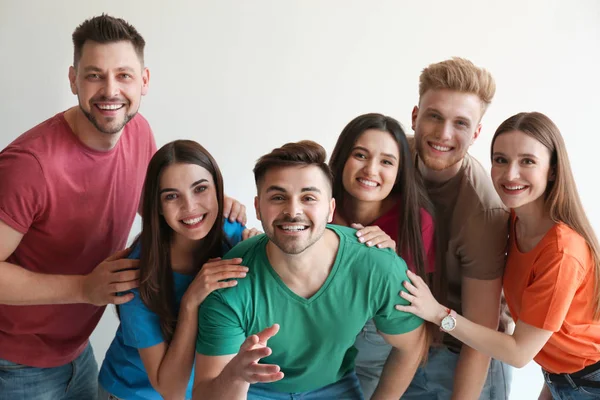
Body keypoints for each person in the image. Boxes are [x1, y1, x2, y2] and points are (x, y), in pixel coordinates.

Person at [0, 15, 244, 400]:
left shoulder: (137, 130)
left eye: (124, 75)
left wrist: (210, 208)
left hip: (78, 352)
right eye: (94, 75)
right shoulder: (29, 166)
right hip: (16, 364)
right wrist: (84, 287)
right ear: (73, 79)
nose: (110, 90)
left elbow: (160, 206)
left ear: (144, 81)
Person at [192, 140, 427, 399]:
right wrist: (235, 374)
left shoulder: (376, 265)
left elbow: (411, 345)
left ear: (330, 209)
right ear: (258, 208)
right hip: (255, 388)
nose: (293, 211)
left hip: (334, 387)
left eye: (309, 197)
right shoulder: (230, 280)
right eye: (278, 197)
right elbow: (205, 392)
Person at [398, 111, 600, 400]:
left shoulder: (562, 252)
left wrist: (438, 313)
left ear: (553, 169)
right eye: (501, 160)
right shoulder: (515, 221)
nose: (510, 174)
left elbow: (518, 353)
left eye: (527, 161)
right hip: (561, 376)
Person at [98, 140, 259, 400]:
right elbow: (170, 390)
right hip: (135, 393)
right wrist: (190, 302)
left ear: (218, 190)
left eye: (200, 189)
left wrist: (264, 250)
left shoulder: (234, 236)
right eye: (172, 196)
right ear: (158, 206)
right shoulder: (137, 276)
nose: (190, 207)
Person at [403, 57, 512, 400]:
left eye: (460, 123)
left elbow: (481, 331)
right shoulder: (386, 160)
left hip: (460, 352)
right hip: (398, 342)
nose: (444, 134)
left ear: (477, 133)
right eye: (434, 116)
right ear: (415, 117)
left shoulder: (483, 209)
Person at [328, 112, 436, 398]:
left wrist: (390, 262)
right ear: (342, 159)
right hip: (314, 336)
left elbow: (412, 325)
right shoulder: (317, 203)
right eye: (361, 155)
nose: (371, 170)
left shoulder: (414, 221)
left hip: (374, 345)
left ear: (400, 171)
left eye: (386, 161)